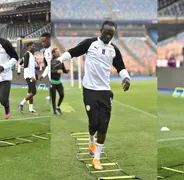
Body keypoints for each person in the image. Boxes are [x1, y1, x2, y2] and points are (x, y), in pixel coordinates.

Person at [55, 20, 131, 170]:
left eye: (111, 34)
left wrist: (126, 77)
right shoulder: (90, 44)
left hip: (105, 91)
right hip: (89, 89)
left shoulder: (114, 50)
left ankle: (97, 159)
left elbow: (120, 66)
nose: (108, 36)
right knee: (93, 124)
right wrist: (60, 59)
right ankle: (91, 140)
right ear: (101, 30)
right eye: (106, 32)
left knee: (104, 125)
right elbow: (73, 52)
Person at [18, 42, 38, 115]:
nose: (34, 47)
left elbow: (20, 63)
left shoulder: (31, 55)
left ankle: (31, 110)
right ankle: (21, 103)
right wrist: (31, 76)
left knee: (30, 93)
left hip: (31, 76)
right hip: (29, 76)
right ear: (28, 47)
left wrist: (19, 71)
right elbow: (26, 66)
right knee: (34, 92)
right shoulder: (27, 54)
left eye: (34, 46)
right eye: (33, 46)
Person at [50, 48, 69, 115]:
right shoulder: (50, 61)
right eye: (57, 52)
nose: (58, 53)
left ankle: (58, 107)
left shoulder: (61, 61)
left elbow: (63, 70)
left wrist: (67, 71)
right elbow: (50, 71)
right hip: (52, 82)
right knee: (53, 97)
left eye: (58, 51)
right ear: (53, 53)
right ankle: (54, 111)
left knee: (62, 95)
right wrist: (56, 71)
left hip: (58, 82)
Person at [38, 33, 52, 108]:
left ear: (49, 39)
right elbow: (48, 66)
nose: (42, 43)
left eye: (44, 41)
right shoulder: (45, 52)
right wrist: (43, 75)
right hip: (51, 77)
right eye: (42, 42)